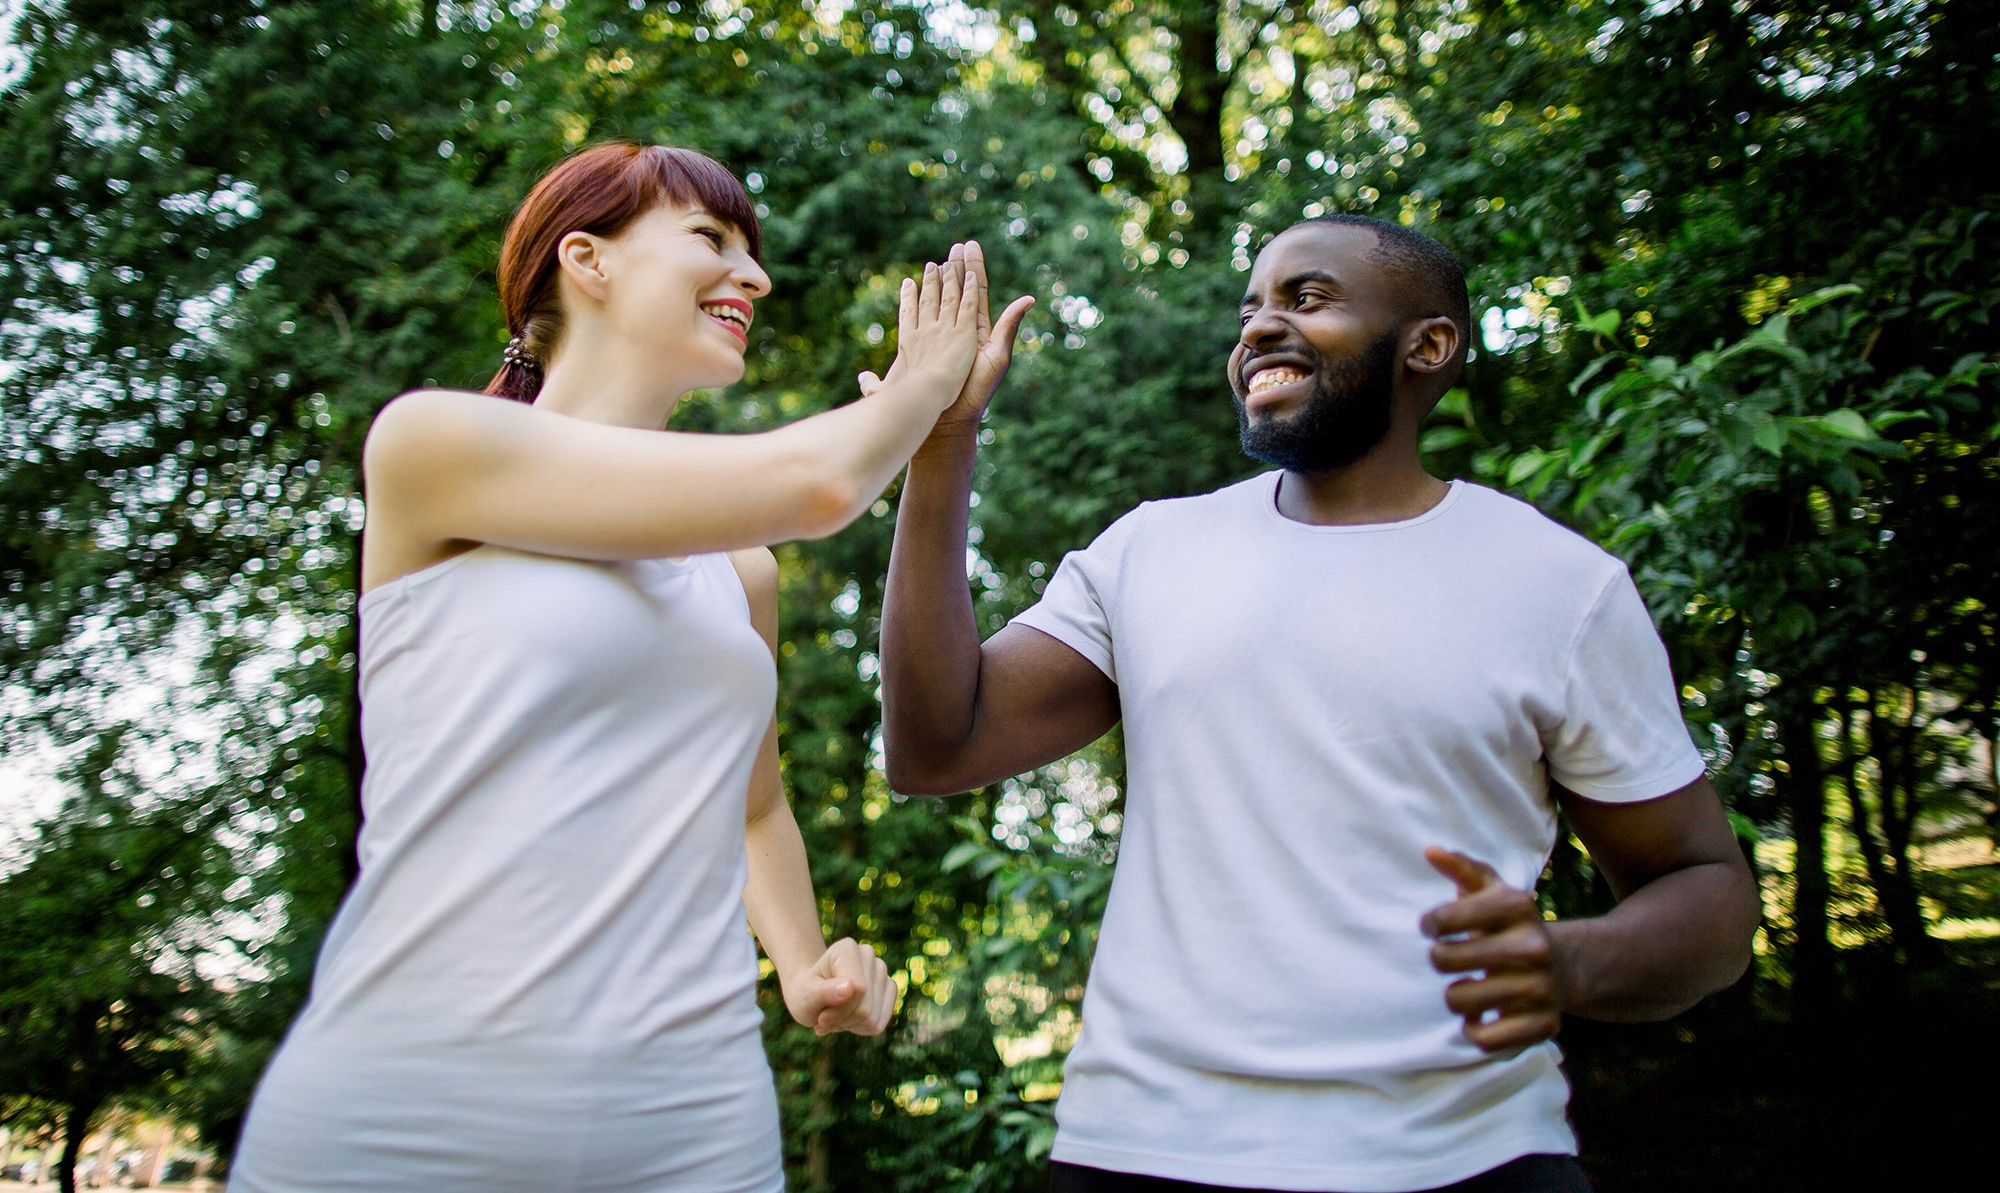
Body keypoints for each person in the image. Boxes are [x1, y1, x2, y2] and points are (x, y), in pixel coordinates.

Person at [877, 224, 1762, 1193]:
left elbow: (1707, 892)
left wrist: (1566, 962)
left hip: (1469, 1159)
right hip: (1144, 1151)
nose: (1258, 328)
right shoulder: (1148, 553)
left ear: (1428, 345)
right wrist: (942, 444)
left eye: (1305, 299)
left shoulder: (1559, 585)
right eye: (1250, 308)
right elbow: (936, 747)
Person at [230, 141, 987, 1191]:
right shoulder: (432, 448)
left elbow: (755, 806)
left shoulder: (740, 571)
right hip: (407, 1112)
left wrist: (801, 961)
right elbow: (821, 484)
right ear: (586, 259)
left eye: (751, 252)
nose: (755, 277)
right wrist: (925, 384)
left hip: (697, 1125)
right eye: (711, 238)